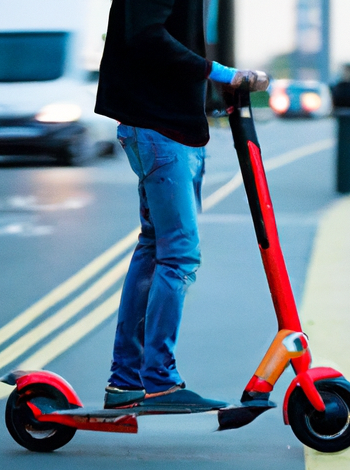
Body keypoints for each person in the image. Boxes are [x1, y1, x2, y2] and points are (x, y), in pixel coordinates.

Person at [95, 0, 268, 408]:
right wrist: (219, 72)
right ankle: (158, 381)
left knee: (156, 248)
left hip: (167, 126)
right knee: (179, 256)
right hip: (161, 128)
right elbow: (145, 35)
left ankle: (126, 382)